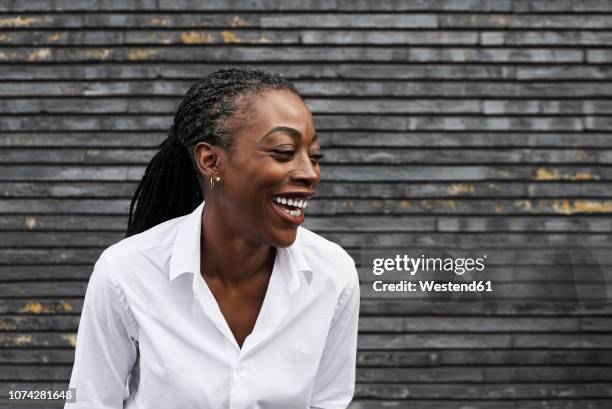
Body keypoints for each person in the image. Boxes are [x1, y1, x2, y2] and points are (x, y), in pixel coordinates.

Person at [65, 67, 360, 409]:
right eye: (283, 152)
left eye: (314, 156)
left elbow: (327, 402)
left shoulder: (332, 275)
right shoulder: (126, 273)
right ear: (210, 160)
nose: (309, 173)